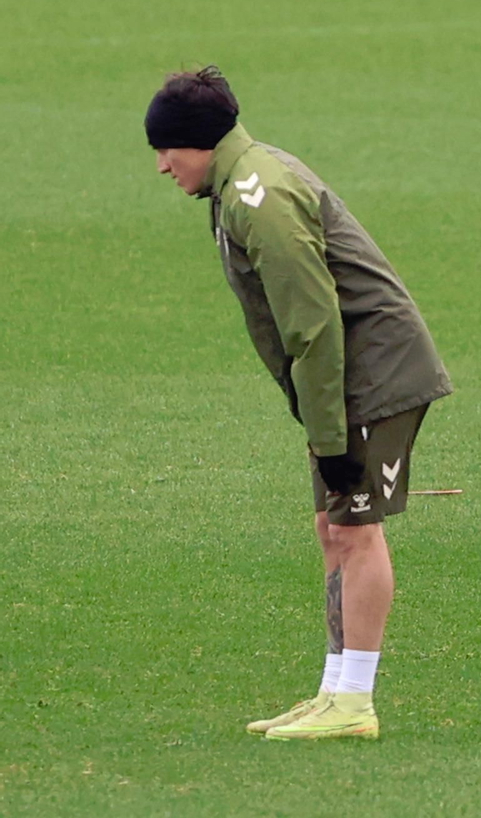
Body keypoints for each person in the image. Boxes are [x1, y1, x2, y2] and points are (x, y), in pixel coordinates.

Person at [147, 66, 452, 741]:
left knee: (356, 529)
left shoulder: (260, 197)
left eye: (167, 149)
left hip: (373, 373)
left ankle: (356, 703)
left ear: (199, 140)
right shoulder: (237, 183)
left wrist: (332, 438)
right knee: (331, 527)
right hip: (340, 379)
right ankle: (333, 691)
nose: (163, 166)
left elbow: (312, 325)